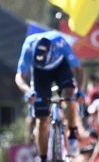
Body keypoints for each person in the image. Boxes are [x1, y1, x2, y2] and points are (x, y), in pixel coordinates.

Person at [15, 31, 85, 161]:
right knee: (41, 119)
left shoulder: (59, 42)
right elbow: (19, 76)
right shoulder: (29, 46)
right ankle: (43, 158)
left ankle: (72, 134)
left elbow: (78, 69)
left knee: (69, 94)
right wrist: (27, 91)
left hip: (60, 67)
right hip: (40, 74)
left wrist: (79, 91)